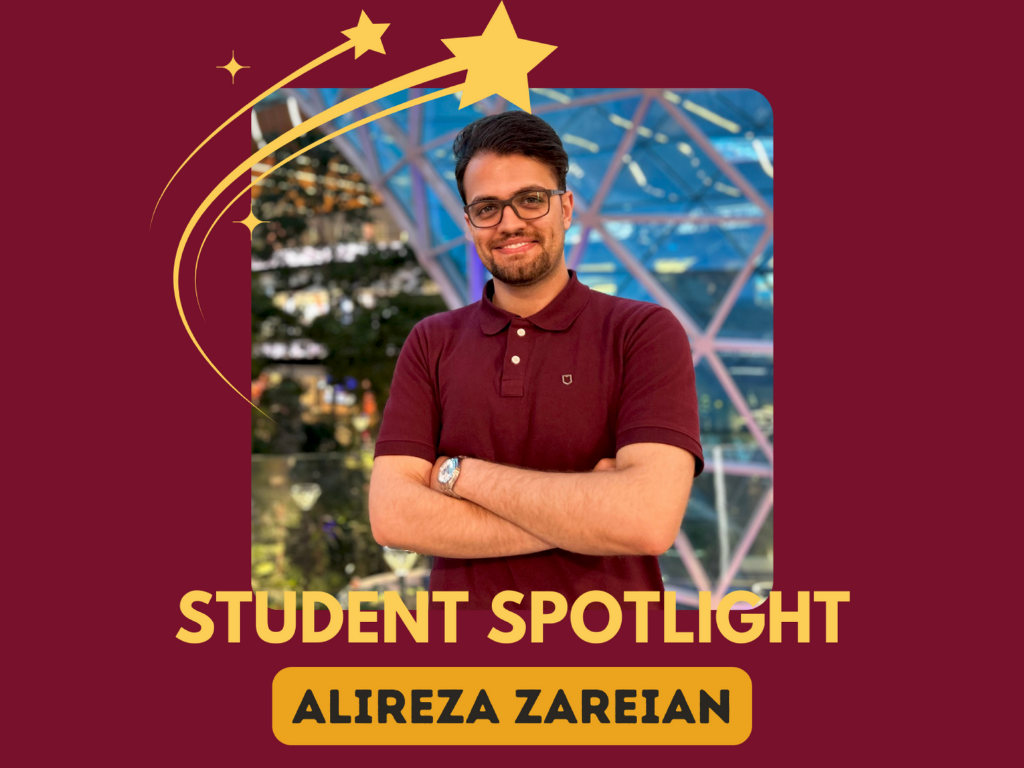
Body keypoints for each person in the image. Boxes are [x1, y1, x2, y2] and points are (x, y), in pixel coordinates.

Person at [369, 111, 703, 609]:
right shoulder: (431, 341)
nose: (509, 223)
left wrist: (460, 475)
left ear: (566, 207)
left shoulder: (643, 332)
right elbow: (393, 517)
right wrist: (590, 514)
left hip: (614, 672)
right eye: (487, 207)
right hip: (461, 672)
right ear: (469, 222)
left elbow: (647, 522)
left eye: (531, 199)